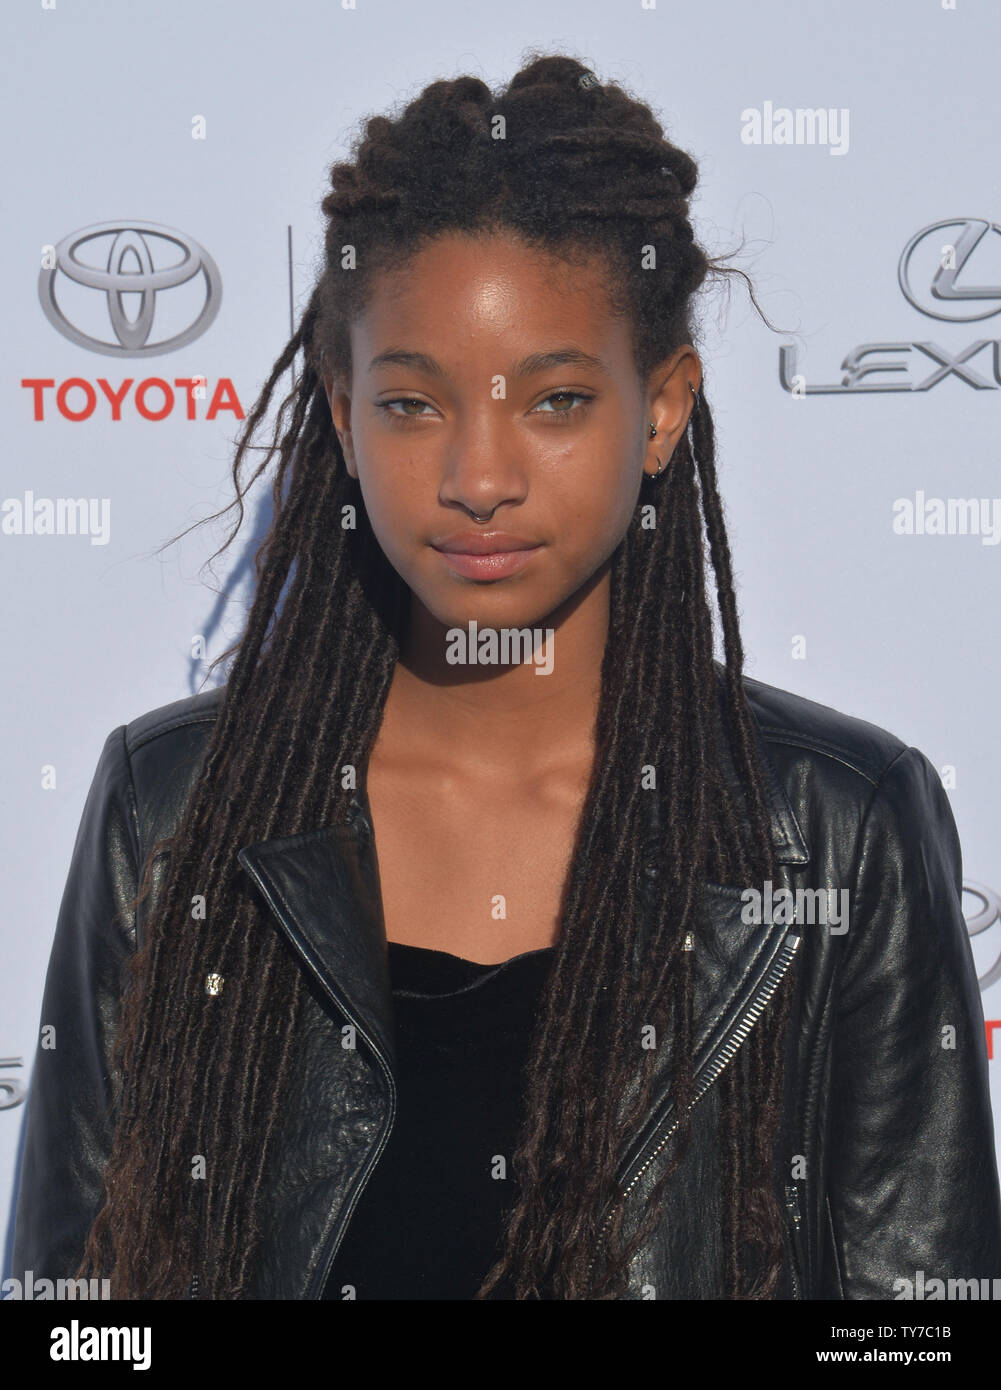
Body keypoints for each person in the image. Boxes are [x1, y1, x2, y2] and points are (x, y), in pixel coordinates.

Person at [9, 52, 1001, 1302]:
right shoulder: (170, 804)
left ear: (660, 410)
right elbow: (76, 1317)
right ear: (339, 410)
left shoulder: (833, 825)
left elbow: (918, 1323)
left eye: (556, 400)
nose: (480, 476)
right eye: (414, 406)